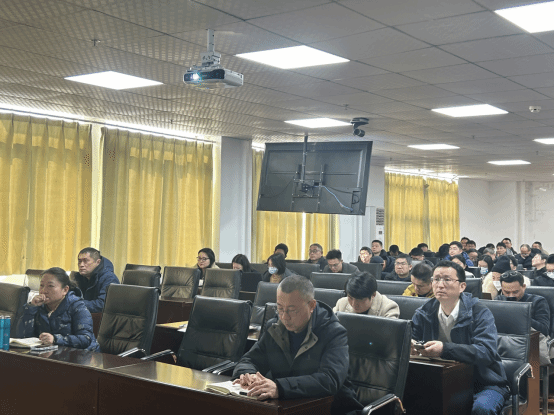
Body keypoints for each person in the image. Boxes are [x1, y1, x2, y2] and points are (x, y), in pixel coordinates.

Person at [232, 275, 362, 414]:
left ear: (311, 306)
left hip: (331, 409)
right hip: (288, 407)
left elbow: (329, 380)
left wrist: (280, 388)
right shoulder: (275, 327)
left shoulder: (333, 332)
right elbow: (249, 360)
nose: (284, 317)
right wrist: (249, 375)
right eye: (280, 308)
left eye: (292, 310)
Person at [411, 261, 509, 415]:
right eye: (436, 279)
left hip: (484, 382)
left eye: (447, 280)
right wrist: (410, 346)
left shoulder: (479, 312)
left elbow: (486, 352)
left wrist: (444, 349)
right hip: (440, 380)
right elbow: (411, 340)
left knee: (482, 409)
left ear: (462, 286)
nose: (440, 285)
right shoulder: (423, 312)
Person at [17, 267, 100, 351]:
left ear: (65, 290)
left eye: (50, 286)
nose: (43, 290)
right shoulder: (38, 306)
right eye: (41, 285)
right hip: (51, 353)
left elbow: (85, 339)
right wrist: (31, 308)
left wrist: (55, 339)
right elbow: (21, 336)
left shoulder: (77, 306)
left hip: (85, 355)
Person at [496, 271, 552, 365]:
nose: (511, 296)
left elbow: (544, 330)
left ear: (524, 287)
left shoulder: (538, 302)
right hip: (505, 344)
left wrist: (521, 314)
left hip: (530, 346)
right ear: (502, 288)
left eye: (515, 292)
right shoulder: (499, 300)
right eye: (506, 292)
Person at [73, 247, 120, 314]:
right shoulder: (79, 277)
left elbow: (102, 305)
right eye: (79, 261)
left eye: (86, 261)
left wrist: (76, 304)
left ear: (98, 262)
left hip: (100, 318)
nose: (81, 265)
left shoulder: (109, 278)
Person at [334, 272, 400, 318]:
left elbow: (390, 333)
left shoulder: (389, 308)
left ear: (373, 295)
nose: (354, 304)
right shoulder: (341, 304)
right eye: (350, 298)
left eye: (359, 299)